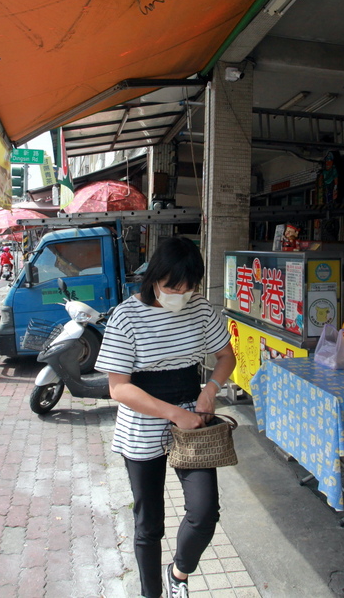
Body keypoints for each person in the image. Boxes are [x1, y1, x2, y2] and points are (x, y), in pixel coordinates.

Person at [95, 236, 237, 598]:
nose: (181, 295)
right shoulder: (126, 317)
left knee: (204, 512)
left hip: (192, 423)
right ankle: (151, 593)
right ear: (155, 277)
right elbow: (119, 388)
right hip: (143, 423)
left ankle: (179, 573)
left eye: (189, 289)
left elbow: (226, 356)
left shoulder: (201, 309)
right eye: (173, 287)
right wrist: (174, 414)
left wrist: (210, 391)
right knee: (149, 523)